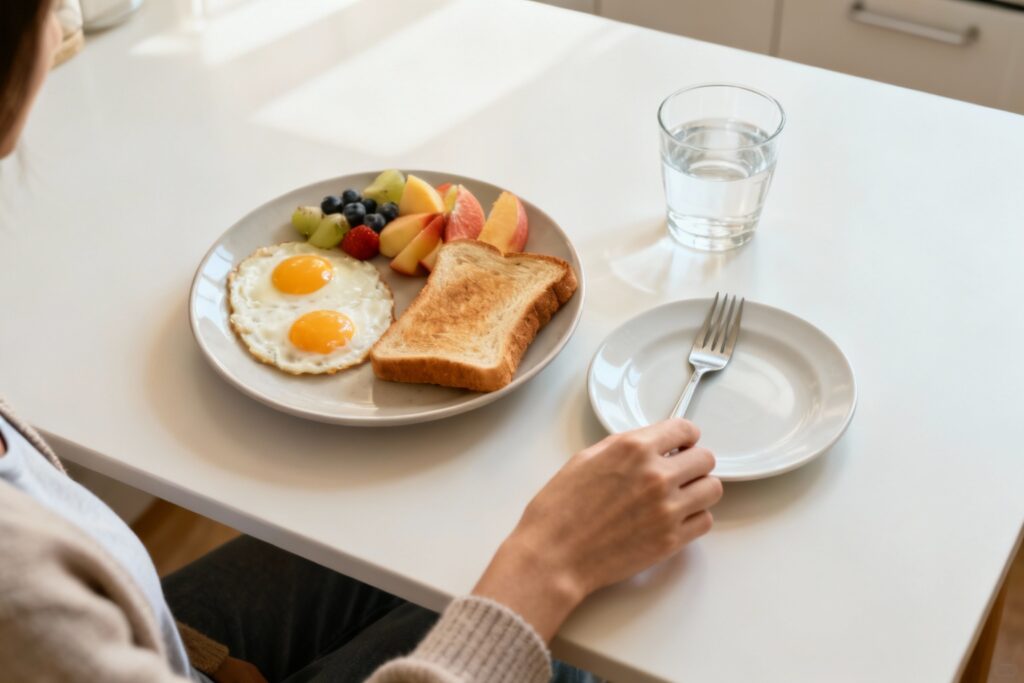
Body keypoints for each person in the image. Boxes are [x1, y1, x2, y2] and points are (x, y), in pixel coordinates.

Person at [0, 3, 724, 682]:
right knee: (585, 636)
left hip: (158, 638)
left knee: (462, 548)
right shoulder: (23, 594)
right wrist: (551, 561)